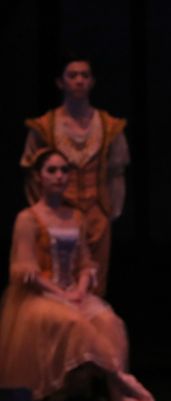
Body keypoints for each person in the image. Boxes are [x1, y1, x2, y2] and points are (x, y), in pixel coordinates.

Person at [0, 149, 155, 401]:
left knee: (109, 322)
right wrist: (62, 296)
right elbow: (27, 271)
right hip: (40, 295)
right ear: (39, 177)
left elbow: (85, 263)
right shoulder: (28, 218)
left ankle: (116, 396)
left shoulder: (75, 217)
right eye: (52, 170)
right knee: (72, 321)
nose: (59, 176)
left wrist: (80, 290)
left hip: (73, 291)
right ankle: (120, 378)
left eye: (64, 170)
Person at [22, 52, 129, 296]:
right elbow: (32, 172)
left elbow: (116, 173)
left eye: (85, 75)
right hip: (58, 215)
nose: (79, 80)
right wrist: (43, 213)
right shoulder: (45, 125)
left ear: (92, 81)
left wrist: (109, 211)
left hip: (97, 215)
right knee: (57, 280)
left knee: (94, 284)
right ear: (61, 82)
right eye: (72, 75)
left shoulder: (109, 125)